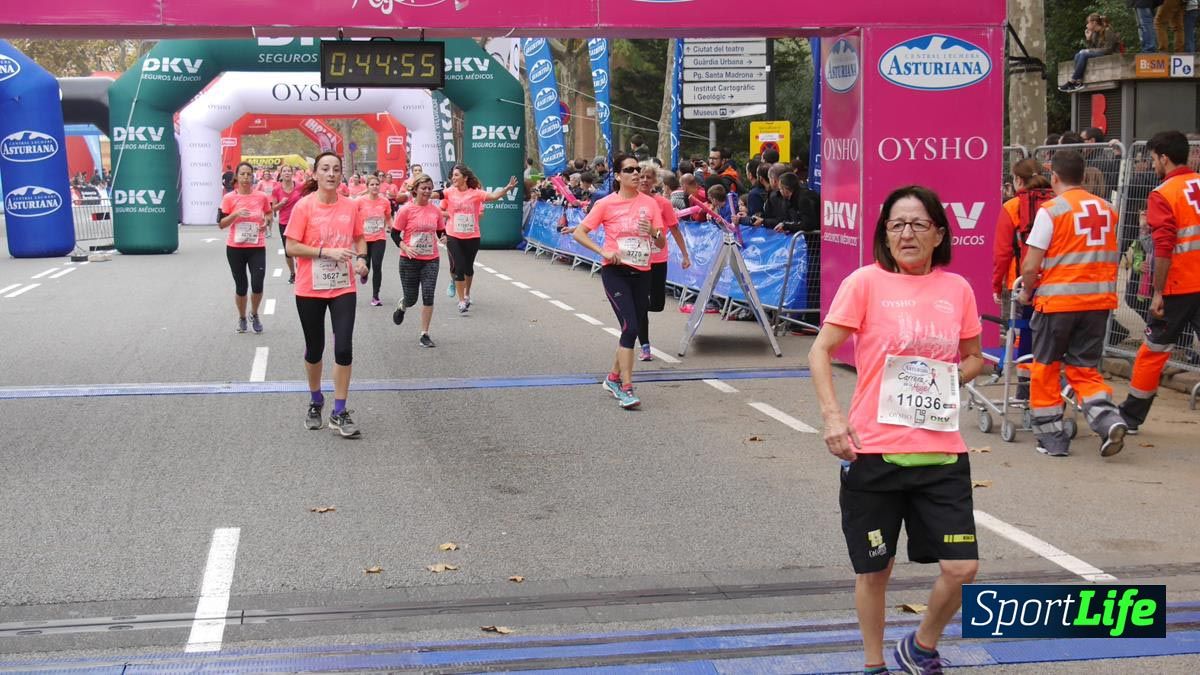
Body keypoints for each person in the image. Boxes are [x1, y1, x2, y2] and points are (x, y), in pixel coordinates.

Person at [809, 185, 983, 675]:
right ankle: (874, 665)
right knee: (874, 570)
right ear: (885, 234)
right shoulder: (865, 283)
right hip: (873, 453)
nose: (907, 233)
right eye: (896, 225)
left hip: (942, 454)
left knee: (962, 568)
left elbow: (974, 357)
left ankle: (922, 645)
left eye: (918, 224)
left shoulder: (957, 290)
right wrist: (832, 418)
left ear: (939, 234)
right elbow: (820, 350)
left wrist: (949, 377)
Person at [1017, 150, 1126, 458]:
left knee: (1046, 368)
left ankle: (1052, 437)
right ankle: (1108, 420)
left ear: (1054, 177)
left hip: (1058, 303)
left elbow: (1030, 266)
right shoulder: (1107, 209)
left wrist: (1026, 292)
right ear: (1083, 176)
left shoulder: (1051, 210)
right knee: (1084, 369)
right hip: (1098, 303)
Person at [284, 152, 369, 438]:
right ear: (315, 174)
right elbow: (291, 247)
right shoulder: (303, 207)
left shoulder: (351, 206)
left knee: (343, 347)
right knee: (314, 348)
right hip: (310, 288)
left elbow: (359, 237)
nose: (331, 174)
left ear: (341, 174)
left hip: (343, 285)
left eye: (336, 169)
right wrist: (324, 252)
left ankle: (339, 411)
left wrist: (361, 258)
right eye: (325, 169)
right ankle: (316, 399)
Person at [1120, 131, 1200, 433]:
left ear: (1164, 158)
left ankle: (1129, 417)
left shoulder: (1164, 194)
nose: (1152, 165)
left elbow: (1164, 247)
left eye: (1153, 159)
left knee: (1153, 351)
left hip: (1180, 286)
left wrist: (1158, 291)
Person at [573, 153, 665, 409]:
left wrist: (653, 232)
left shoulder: (650, 204)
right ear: (617, 176)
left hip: (643, 271)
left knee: (630, 328)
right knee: (631, 327)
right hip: (616, 271)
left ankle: (613, 377)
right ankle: (626, 387)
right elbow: (580, 233)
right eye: (630, 170)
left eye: (638, 169)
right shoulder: (605, 204)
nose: (636, 174)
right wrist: (603, 251)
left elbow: (661, 241)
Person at [440, 164, 519, 313]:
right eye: (453, 175)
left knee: (468, 268)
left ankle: (467, 293)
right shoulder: (449, 192)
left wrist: (507, 188)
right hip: (453, 234)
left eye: (456, 175)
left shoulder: (475, 193)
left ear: (465, 177)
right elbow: (438, 203)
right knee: (459, 267)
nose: (453, 178)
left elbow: (494, 196)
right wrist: (450, 215)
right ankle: (461, 300)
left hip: (472, 235)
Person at [637, 166, 691, 361]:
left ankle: (637, 308)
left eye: (648, 177)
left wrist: (685, 255)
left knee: (658, 304)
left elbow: (675, 229)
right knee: (642, 302)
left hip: (658, 258)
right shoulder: (629, 201)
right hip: (636, 260)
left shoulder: (663, 204)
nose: (644, 180)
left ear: (655, 181)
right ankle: (645, 345)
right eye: (641, 177)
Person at [218, 162, 272, 334]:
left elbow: (269, 213)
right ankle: (242, 317)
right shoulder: (229, 198)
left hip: (257, 246)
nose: (246, 177)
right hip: (235, 248)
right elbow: (221, 224)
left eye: (249, 174)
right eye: (242, 174)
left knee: (257, 284)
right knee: (241, 286)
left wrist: (267, 221)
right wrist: (235, 214)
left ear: (253, 176)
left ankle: (254, 313)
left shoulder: (261, 196)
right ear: (237, 176)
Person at [391, 174, 444, 348]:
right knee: (412, 298)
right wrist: (405, 247)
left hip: (431, 259)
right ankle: (403, 305)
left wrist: (444, 238)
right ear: (415, 190)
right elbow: (394, 234)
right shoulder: (406, 210)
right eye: (424, 188)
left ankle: (424, 334)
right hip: (409, 260)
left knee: (428, 295)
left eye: (430, 188)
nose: (427, 191)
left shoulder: (435, 211)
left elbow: (440, 232)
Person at [1059, 13, 1120, 92]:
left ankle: (1073, 80)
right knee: (1078, 55)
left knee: (1083, 53)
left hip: (1110, 54)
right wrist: (1088, 39)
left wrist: (1089, 51)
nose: (1086, 25)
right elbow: (1092, 49)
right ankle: (1078, 82)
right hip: (1101, 53)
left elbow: (1108, 49)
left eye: (1088, 23)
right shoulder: (1095, 33)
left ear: (1094, 23)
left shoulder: (1107, 31)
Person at [357, 175, 393, 306]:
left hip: (379, 237)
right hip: (363, 238)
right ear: (367, 187)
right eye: (371, 185)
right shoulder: (360, 201)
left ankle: (375, 296)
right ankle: (364, 273)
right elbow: (353, 217)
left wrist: (393, 228)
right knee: (366, 265)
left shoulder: (385, 202)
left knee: (377, 266)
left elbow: (388, 218)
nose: (375, 187)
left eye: (377, 184)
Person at [272, 165, 304, 284]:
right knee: (289, 250)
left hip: (300, 221)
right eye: (284, 171)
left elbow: (307, 200)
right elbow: (273, 208)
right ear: (281, 174)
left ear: (292, 173)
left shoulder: (300, 187)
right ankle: (292, 272)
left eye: (289, 171)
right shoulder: (277, 189)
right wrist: (281, 204)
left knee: (301, 248)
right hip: (285, 222)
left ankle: (301, 271)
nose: (287, 173)